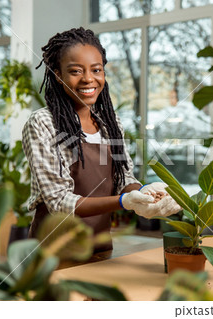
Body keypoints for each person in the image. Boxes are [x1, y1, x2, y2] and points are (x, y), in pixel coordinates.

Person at [22, 27, 181, 251]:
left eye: (96, 70)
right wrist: (122, 202)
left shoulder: (109, 123)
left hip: (99, 245)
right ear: (58, 75)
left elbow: (122, 179)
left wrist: (145, 191)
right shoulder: (42, 124)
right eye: (76, 71)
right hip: (54, 251)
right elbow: (58, 201)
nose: (88, 79)